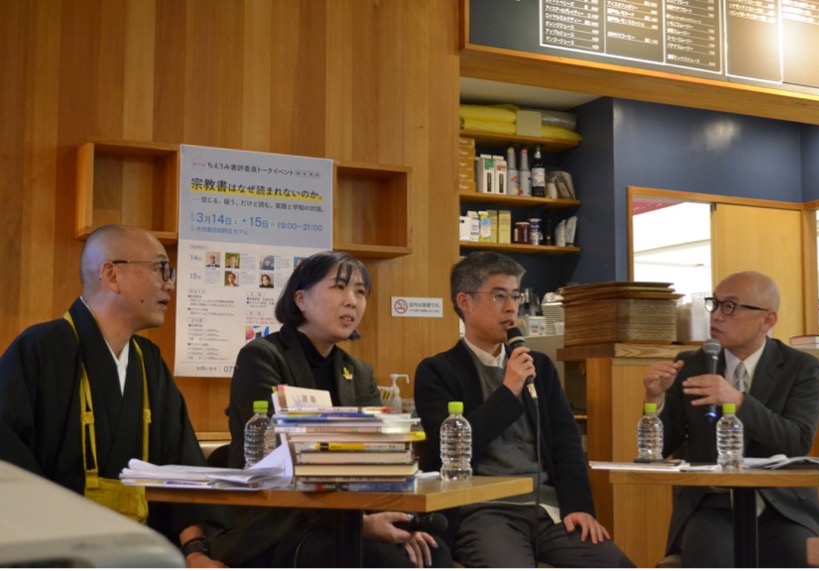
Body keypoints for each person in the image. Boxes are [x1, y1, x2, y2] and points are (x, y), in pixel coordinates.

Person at [0, 224, 229, 567]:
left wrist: (195, 551)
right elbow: (9, 467)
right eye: (160, 269)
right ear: (112, 275)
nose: (169, 283)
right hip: (52, 554)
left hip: (142, 552)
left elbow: (181, 464)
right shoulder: (40, 350)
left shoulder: (149, 362)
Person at [216, 250, 452, 568]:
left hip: (347, 517)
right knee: (387, 561)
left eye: (360, 292)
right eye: (339, 287)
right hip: (280, 524)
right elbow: (281, 458)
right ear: (301, 299)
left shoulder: (359, 372)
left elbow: (377, 458)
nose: (352, 301)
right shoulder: (263, 357)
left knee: (434, 552)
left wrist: (394, 522)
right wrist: (359, 525)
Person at [414, 252, 634, 568]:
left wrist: (580, 507)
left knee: (617, 565)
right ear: (465, 302)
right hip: (483, 510)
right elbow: (447, 451)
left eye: (515, 296)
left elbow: (567, 444)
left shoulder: (539, 366)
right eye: (499, 295)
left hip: (548, 509)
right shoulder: (438, 371)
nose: (511, 307)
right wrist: (508, 390)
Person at [642, 271, 819, 567]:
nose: (717, 315)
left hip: (783, 507)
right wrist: (655, 398)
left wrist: (739, 401)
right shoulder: (691, 364)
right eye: (714, 303)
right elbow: (661, 449)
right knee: (710, 555)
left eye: (730, 306)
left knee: (802, 557)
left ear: (767, 320)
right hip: (712, 505)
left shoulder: (800, 366)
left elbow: (797, 441)